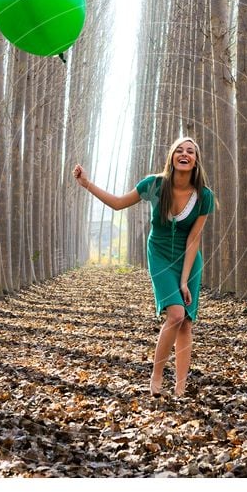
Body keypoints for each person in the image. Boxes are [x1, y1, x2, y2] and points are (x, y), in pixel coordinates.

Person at [73, 137, 215, 397]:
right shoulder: (154, 184)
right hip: (159, 254)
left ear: (196, 161)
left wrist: (184, 280)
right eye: (179, 150)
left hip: (188, 260)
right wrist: (87, 184)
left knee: (186, 323)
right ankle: (157, 376)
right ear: (172, 157)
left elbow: (194, 238)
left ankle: (181, 386)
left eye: (190, 151)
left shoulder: (204, 196)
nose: (185, 154)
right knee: (175, 314)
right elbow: (117, 203)